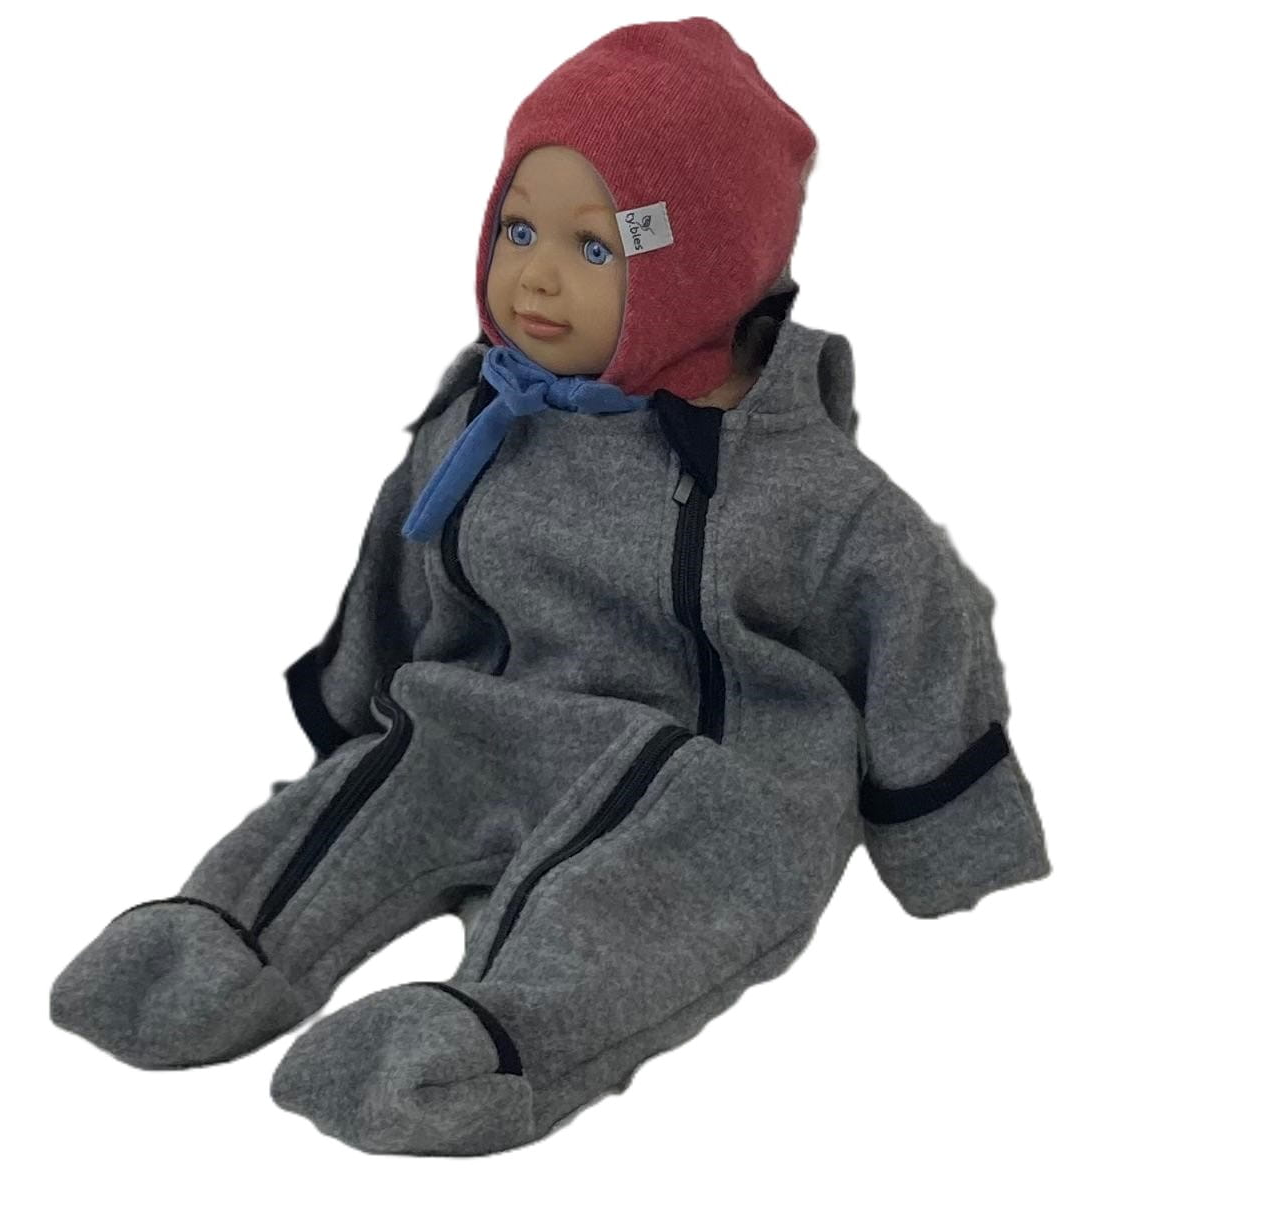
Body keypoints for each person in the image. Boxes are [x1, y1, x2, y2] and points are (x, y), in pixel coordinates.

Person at [51, 17, 1050, 1157]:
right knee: (382, 780)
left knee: (627, 899)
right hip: (482, 721)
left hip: (706, 771)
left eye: (594, 249)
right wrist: (347, 718)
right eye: (517, 229)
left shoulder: (805, 489)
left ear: (696, 268)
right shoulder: (482, 414)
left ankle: (493, 1037)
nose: (533, 275)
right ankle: (226, 931)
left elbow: (919, 625)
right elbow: (399, 557)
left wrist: (948, 842)